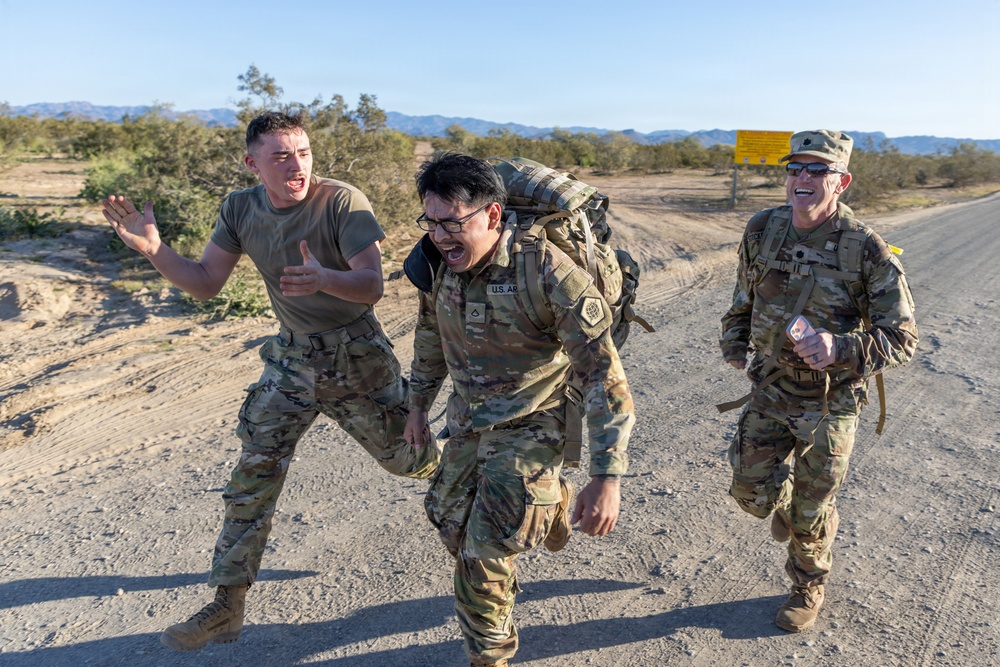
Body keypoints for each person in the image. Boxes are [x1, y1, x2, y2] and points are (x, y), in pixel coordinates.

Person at [101, 111, 440, 652]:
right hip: (290, 360)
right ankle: (227, 605)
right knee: (255, 470)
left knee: (411, 460)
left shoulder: (341, 200)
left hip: (355, 357)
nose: (296, 165)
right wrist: (154, 251)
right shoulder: (240, 207)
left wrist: (326, 278)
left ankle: (491, 491)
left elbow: (373, 284)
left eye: (302, 152)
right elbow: (208, 282)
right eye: (281, 155)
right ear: (252, 162)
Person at [402, 154, 635, 667]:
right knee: (447, 518)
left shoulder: (547, 271)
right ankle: (549, 505)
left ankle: (491, 655)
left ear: (491, 215)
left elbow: (605, 378)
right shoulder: (438, 264)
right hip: (468, 418)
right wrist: (418, 404)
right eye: (432, 222)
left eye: (453, 222)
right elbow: (429, 336)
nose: (440, 236)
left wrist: (607, 477)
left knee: (482, 552)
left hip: (536, 419)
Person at [719, 130, 917, 632]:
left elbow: (904, 338)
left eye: (817, 170)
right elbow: (744, 293)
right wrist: (735, 337)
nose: (802, 178)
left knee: (813, 508)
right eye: (795, 169)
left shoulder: (866, 249)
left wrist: (840, 348)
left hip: (830, 401)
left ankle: (808, 583)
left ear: (841, 182)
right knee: (749, 494)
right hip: (770, 387)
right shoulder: (763, 227)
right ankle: (787, 506)